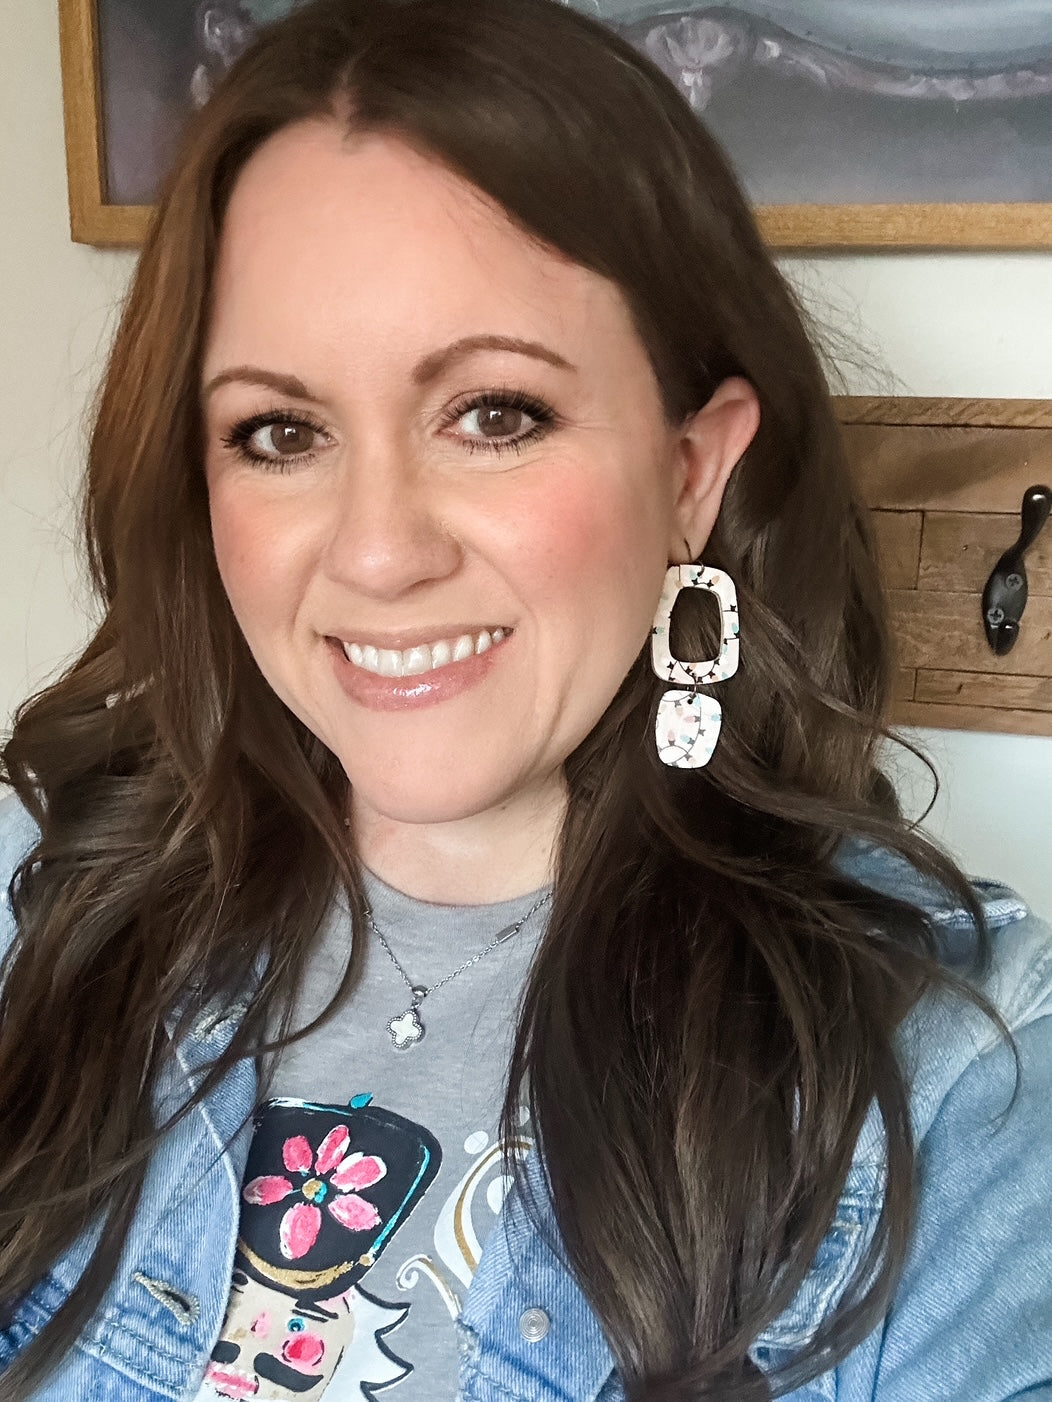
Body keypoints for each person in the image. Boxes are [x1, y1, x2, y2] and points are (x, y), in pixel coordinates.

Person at [1, 0, 1050, 1398]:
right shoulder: (51, 911)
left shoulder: (951, 1075)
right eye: (281, 432)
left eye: (494, 412)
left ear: (691, 469)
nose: (378, 550)